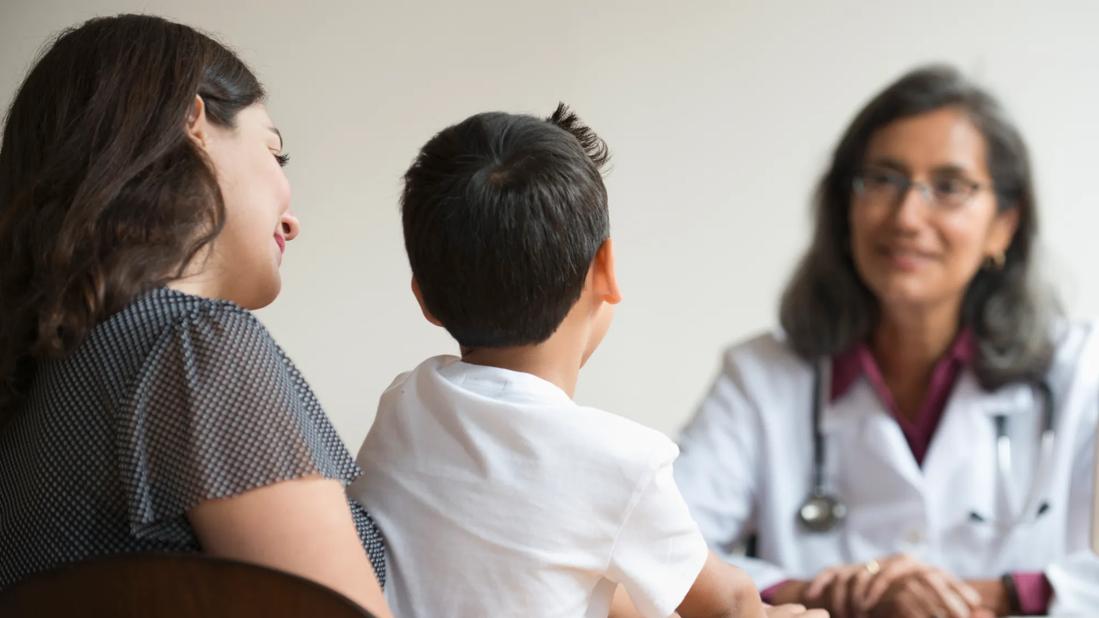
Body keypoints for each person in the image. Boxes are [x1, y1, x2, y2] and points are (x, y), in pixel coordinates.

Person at [350, 104, 824, 618]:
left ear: (425, 299)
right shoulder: (623, 462)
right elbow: (729, 604)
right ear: (606, 269)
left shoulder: (405, 403)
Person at [0, 15, 391, 616]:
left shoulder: (35, 386)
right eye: (274, 151)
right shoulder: (195, 348)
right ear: (194, 123)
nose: (293, 220)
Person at [674, 65, 1099, 617]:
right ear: (844, 205)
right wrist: (821, 594)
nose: (907, 216)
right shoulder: (761, 377)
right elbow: (665, 549)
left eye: (949, 187)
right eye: (882, 179)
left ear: (1004, 224)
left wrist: (994, 597)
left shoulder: (1080, 371)